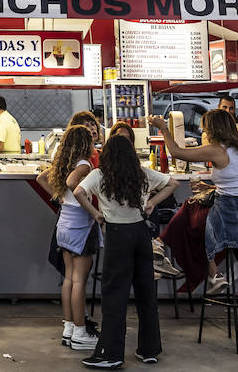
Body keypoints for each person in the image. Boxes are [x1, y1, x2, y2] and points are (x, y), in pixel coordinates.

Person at [76, 134, 176, 368]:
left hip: (117, 234)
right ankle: (149, 349)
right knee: (146, 291)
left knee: (114, 295)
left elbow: (79, 191)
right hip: (141, 233)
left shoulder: (99, 175)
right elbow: (173, 184)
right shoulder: (141, 174)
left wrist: (95, 213)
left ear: (106, 154)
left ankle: (111, 354)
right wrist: (152, 202)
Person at [155, 109, 238, 295]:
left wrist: (163, 128)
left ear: (213, 130)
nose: (203, 133)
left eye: (205, 129)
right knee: (193, 209)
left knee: (190, 209)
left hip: (226, 222)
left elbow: (176, 152)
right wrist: (210, 189)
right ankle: (212, 273)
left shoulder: (217, 150)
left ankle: (161, 245)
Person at [46, 125, 99, 352]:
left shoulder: (62, 164)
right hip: (80, 226)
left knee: (69, 278)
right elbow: (71, 184)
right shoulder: (84, 164)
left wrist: (60, 197)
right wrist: (91, 209)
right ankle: (80, 331)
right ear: (85, 143)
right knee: (80, 280)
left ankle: (69, 327)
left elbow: (42, 177)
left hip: (64, 225)